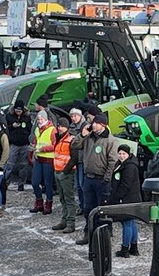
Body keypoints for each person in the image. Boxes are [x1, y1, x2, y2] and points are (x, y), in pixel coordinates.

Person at [76, 114, 114, 242]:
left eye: (96, 123)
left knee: (103, 208)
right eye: (93, 123)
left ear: (103, 125)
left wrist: (107, 178)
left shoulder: (110, 140)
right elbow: (74, 145)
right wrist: (82, 135)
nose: (93, 125)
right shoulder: (88, 137)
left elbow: (112, 161)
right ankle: (89, 233)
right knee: (88, 208)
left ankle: (105, 233)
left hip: (101, 179)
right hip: (89, 178)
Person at [51, 108, 82, 233]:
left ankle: (70, 222)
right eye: (59, 126)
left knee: (69, 199)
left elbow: (74, 158)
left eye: (62, 127)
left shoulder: (71, 140)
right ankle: (64, 220)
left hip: (66, 173)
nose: (59, 128)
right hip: (58, 171)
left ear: (67, 128)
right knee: (62, 198)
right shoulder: (58, 139)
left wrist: (65, 171)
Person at [109, 144, 143, 258]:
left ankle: (125, 249)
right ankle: (134, 248)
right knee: (131, 223)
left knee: (126, 223)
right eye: (120, 153)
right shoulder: (123, 164)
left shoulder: (129, 167)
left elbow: (125, 184)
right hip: (131, 198)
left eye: (124, 154)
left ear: (128, 154)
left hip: (127, 199)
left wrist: (117, 196)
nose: (121, 156)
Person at [29, 110, 56, 215]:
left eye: (41, 119)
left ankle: (48, 204)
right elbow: (36, 142)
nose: (39, 121)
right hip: (38, 159)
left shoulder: (52, 130)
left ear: (46, 119)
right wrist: (33, 148)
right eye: (38, 119)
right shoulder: (37, 129)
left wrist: (43, 149)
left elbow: (55, 145)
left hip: (48, 160)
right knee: (35, 183)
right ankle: (39, 202)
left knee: (48, 184)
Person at [4, 102, 32, 193]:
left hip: (24, 144)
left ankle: (21, 184)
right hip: (13, 144)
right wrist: (12, 126)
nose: (18, 112)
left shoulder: (27, 117)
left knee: (23, 165)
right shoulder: (9, 116)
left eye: (20, 110)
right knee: (10, 164)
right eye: (17, 110)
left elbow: (30, 129)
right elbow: (5, 128)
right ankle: (5, 182)